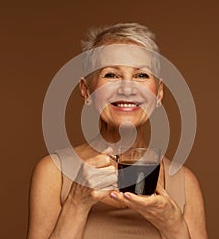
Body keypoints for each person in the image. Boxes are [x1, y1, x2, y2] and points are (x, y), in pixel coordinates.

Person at [27, 22, 208, 239]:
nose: (127, 88)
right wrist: (77, 203)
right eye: (111, 75)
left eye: (141, 75)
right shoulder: (53, 173)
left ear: (159, 93)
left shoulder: (185, 182)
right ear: (86, 90)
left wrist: (173, 224)